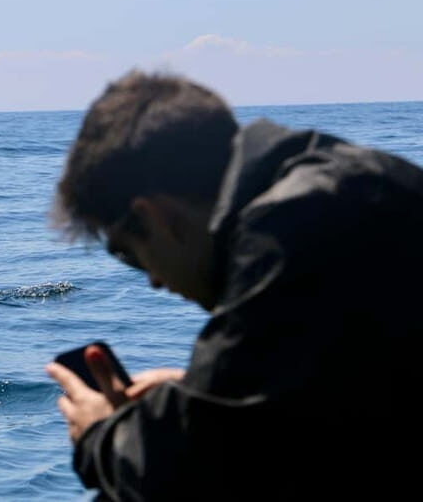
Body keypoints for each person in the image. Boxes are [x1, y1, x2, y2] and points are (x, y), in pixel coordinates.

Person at [45, 71, 423, 500]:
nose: (153, 282)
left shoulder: (289, 230)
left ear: (156, 218)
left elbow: (197, 471)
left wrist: (101, 436)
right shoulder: (346, 182)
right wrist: (214, 390)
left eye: (129, 254)